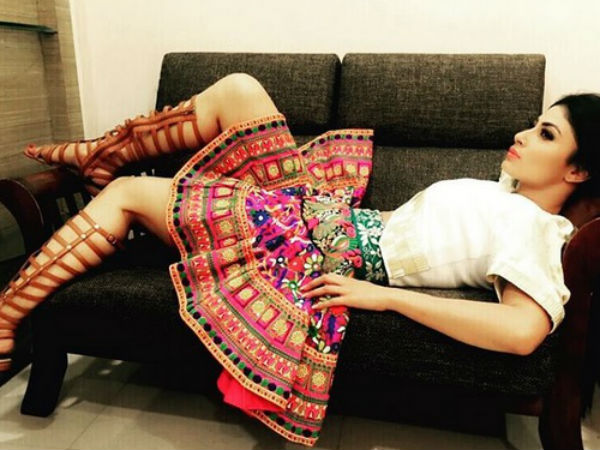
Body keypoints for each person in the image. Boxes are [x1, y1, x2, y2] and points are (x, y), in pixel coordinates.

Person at [0, 72, 598, 446]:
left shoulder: (535, 229)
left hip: (313, 244)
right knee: (239, 90)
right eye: (533, 124)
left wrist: (386, 297)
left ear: (578, 171)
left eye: (546, 135)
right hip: (325, 213)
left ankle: (8, 317)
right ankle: (100, 153)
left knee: (129, 193)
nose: (523, 135)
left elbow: (522, 331)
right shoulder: (506, 191)